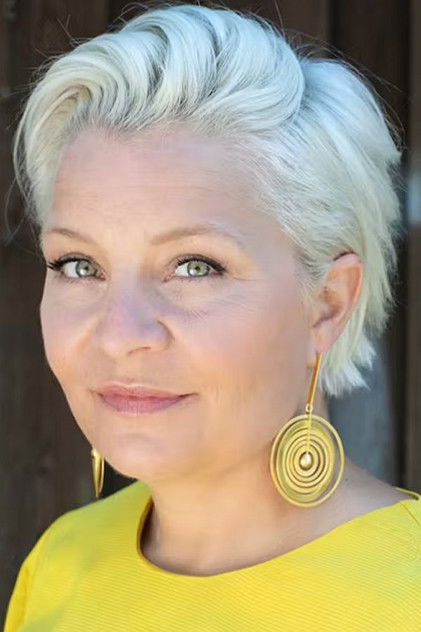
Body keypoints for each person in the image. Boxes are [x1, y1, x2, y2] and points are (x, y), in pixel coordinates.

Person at [4, 3, 420, 631]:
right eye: (79, 265)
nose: (120, 335)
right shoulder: (61, 565)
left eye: (195, 266)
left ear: (327, 304)